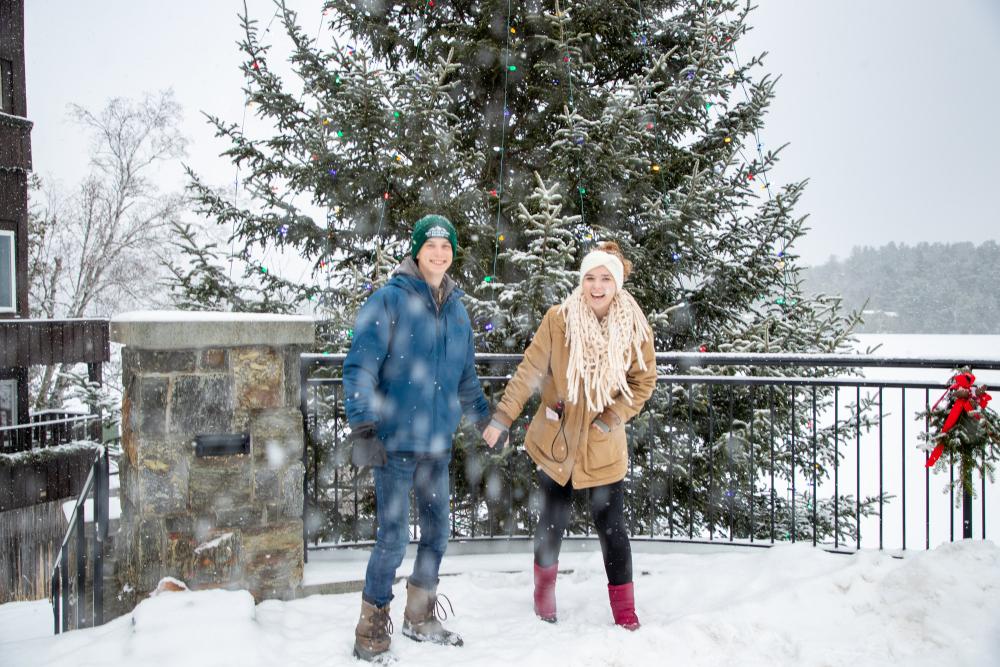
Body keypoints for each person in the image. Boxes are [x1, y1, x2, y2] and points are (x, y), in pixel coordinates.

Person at [483, 241, 656, 630]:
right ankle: (543, 595)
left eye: (605, 279)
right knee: (552, 521)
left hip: (602, 446)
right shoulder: (559, 320)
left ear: (617, 284)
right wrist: (503, 417)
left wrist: (612, 417)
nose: (597, 286)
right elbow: (529, 371)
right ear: (582, 281)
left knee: (613, 530)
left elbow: (643, 382)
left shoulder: (634, 327)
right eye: (590, 278)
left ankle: (625, 611)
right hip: (556, 440)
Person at [343, 214, 492, 662]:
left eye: (446, 248)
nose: (439, 254)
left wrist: (486, 419)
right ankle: (370, 628)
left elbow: (465, 377)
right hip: (394, 443)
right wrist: (365, 427)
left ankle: (420, 615)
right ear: (416, 250)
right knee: (391, 539)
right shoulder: (390, 300)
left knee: (437, 534)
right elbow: (359, 366)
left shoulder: (458, 309)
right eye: (431, 246)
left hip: (437, 446)